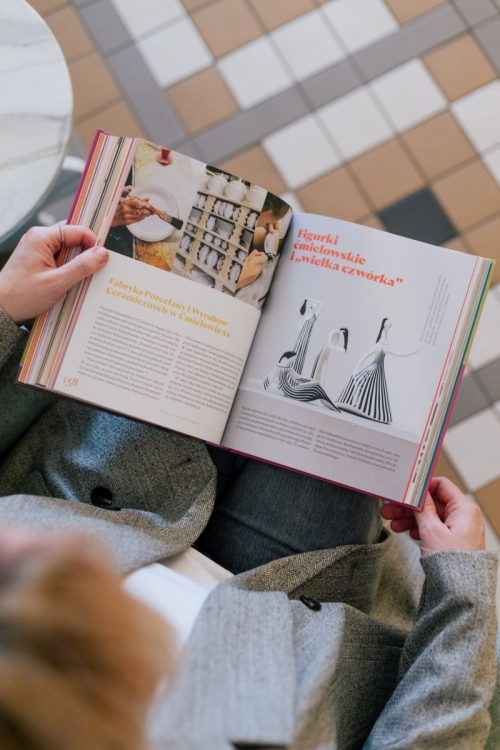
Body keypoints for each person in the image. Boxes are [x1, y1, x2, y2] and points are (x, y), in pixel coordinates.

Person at [0, 224, 498, 749]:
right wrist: (460, 588)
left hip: (87, 480)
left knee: (253, 301)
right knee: (339, 406)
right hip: (289, 623)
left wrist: (6, 308)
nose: (31, 542)